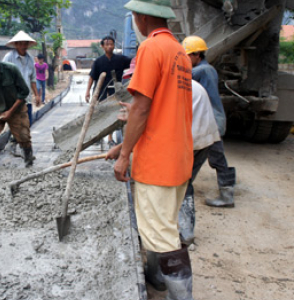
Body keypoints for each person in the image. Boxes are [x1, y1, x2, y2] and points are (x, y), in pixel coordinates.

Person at [107, 1, 195, 298]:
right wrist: (123, 144)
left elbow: (141, 110)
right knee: (166, 228)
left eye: (133, 16)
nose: (134, 21)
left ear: (142, 17)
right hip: (178, 157)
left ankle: (181, 296)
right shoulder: (180, 52)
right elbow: (161, 112)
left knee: (161, 236)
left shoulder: (150, 48)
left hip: (157, 164)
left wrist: (123, 156)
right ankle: (166, 287)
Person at [182, 35, 236, 208]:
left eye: (187, 56)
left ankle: (227, 194)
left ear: (197, 55)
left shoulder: (202, 71)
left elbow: (181, 76)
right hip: (211, 119)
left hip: (211, 120)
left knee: (216, 157)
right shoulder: (206, 69)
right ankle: (227, 190)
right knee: (217, 156)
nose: (185, 60)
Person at [179, 80, 221, 246]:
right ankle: (185, 231)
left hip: (191, 139)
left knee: (180, 184)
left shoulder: (171, 86)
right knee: (184, 183)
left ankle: (185, 233)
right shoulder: (189, 82)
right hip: (205, 138)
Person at [85, 35, 132, 147]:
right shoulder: (98, 62)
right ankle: (98, 137)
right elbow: (92, 77)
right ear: (102, 46)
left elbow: (135, 63)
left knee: (113, 115)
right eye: (107, 44)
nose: (110, 46)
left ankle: (110, 138)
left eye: (111, 44)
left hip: (115, 92)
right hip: (100, 92)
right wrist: (87, 92)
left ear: (114, 45)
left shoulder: (120, 59)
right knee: (99, 114)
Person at [3, 31, 40, 157]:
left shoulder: (30, 60)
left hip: (26, 98)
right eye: (21, 44)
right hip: (13, 98)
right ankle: (16, 146)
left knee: (27, 123)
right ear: (16, 44)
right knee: (16, 123)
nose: (23, 46)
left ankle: (19, 146)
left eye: (25, 44)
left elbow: (33, 79)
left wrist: (37, 95)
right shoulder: (9, 58)